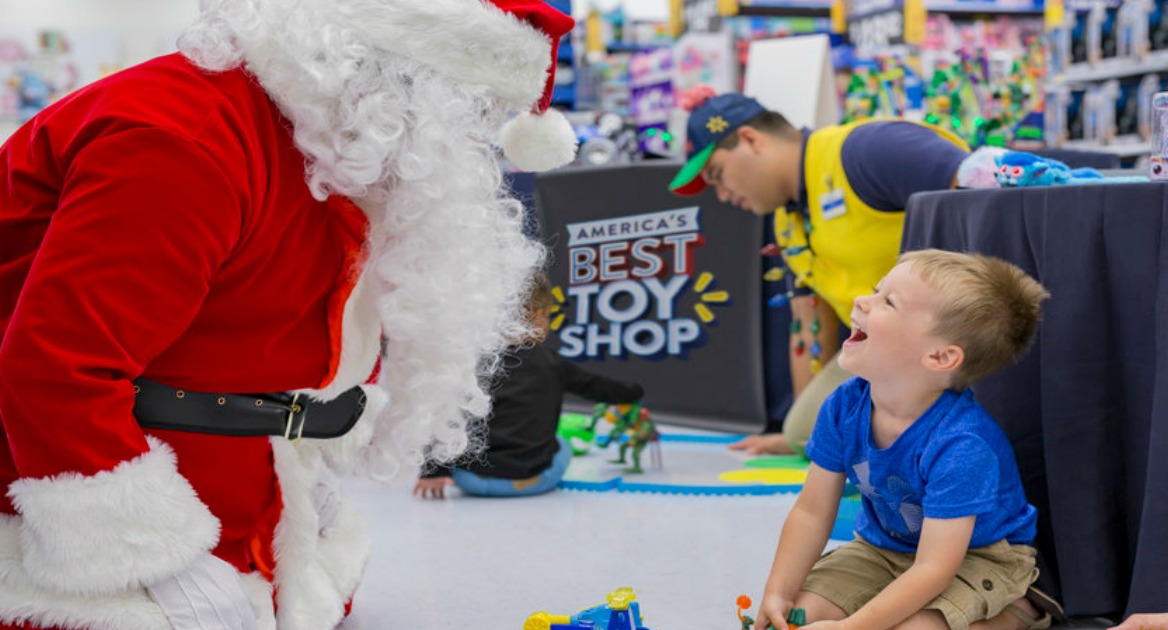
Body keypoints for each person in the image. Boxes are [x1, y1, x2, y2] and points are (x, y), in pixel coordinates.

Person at [0, 0, 579, 628]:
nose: (471, 142)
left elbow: (286, 325)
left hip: (249, 498)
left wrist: (306, 460)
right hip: (69, 516)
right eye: (469, 110)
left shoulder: (335, 151)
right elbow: (57, 370)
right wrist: (147, 557)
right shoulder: (180, 141)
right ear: (391, 75)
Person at [753, 249, 1059, 630]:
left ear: (940, 356)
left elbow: (934, 568)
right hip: (883, 549)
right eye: (875, 290)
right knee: (800, 616)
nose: (861, 301)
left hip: (976, 558)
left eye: (888, 302)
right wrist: (778, 591)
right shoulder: (844, 406)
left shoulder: (962, 445)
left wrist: (853, 627)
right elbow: (812, 512)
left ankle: (1015, 612)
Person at [667, 87, 972, 457]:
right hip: (883, 354)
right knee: (805, 431)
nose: (723, 195)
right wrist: (803, 429)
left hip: (953, 336)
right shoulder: (786, 222)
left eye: (717, 175)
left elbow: (984, 190)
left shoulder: (865, 150)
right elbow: (809, 324)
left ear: (750, 140)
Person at [412, 272, 644, 499]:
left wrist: (433, 471)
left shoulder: (474, 366)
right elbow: (598, 387)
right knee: (563, 444)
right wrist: (634, 392)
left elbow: (446, 417)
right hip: (538, 480)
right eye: (549, 317)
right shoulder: (553, 363)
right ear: (537, 315)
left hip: (473, 481)